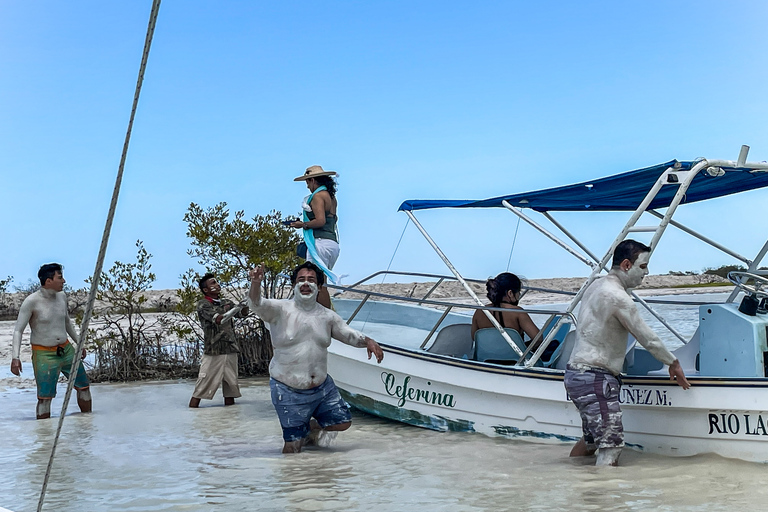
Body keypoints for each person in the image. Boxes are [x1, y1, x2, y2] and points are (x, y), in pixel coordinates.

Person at [564, 239, 691, 466]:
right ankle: (604, 499)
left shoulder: (594, 285)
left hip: (576, 374)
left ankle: (574, 480)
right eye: (642, 266)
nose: (646, 272)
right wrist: (673, 363)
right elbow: (648, 338)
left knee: (591, 441)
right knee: (611, 446)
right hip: (595, 377)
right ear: (625, 265)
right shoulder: (619, 298)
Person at [248, 261, 384, 453]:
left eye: (311, 280)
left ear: (319, 287)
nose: (306, 283)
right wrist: (255, 283)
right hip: (287, 388)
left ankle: (309, 427)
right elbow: (256, 304)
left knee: (342, 422)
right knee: (292, 449)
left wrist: (368, 341)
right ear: (294, 285)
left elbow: (347, 334)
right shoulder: (279, 309)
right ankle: (299, 480)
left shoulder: (328, 316)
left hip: (322, 387)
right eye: (301, 280)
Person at [10, 263, 91, 419]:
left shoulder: (62, 297)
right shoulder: (31, 301)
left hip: (66, 350)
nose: (64, 281)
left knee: (84, 387)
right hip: (44, 354)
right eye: (60, 278)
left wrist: (80, 343)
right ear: (48, 281)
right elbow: (18, 330)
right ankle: (44, 435)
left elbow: (67, 322)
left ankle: (87, 424)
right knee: (45, 399)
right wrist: (15, 357)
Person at [189, 273, 249, 408]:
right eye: (213, 283)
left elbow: (242, 315)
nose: (217, 285)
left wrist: (246, 304)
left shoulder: (226, 302)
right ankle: (193, 411)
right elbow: (219, 319)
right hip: (214, 350)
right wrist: (237, 308)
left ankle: (230, 417)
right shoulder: (203, 304)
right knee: (202, 385)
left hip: (230, 348)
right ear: (206, 290)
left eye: (217, 282)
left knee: (231, 386)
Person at [470, 272, 559, 361]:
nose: (519, 296)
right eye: (518, 292)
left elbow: (475, 337)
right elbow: (538, 339)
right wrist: (527, 348)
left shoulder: (479, 311)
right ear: (510, 293)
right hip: (515, 361)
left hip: (487, 359)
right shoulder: (517, 312)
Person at [290, 165, 340, 308]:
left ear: (312, 180)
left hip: (320, 243)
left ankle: (323, 316)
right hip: (332, 243)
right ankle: (324, 313)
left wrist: (302, 224)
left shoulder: (318, 196)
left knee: (318, 283)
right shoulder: (331, 197)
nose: (307, 186)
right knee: (320, 282)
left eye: (307, 182)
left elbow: (320, 221)